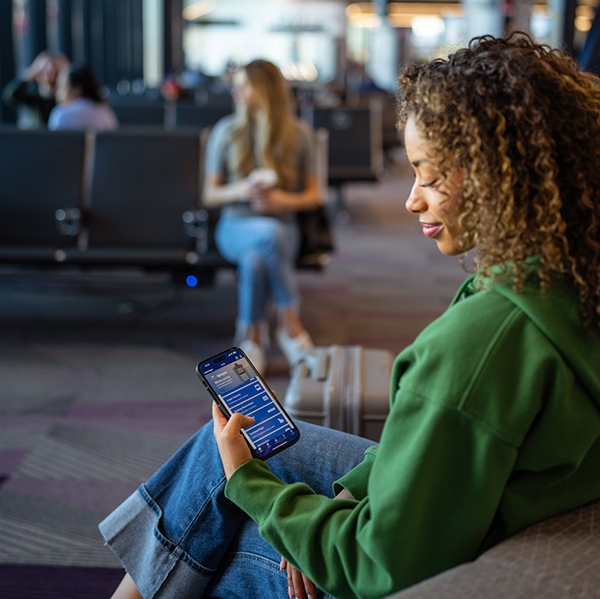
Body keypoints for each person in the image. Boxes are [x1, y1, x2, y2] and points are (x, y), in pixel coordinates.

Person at [99, 33, 600, 599]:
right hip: (483, 519)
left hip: (407, 567)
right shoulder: (567, 283)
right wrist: (344, 496)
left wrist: (253, 486)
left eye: (429, 176)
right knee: (213, 455)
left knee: (213, 536)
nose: (411, 199)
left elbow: (373, 565)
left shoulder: (479, 345)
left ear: (501, 174)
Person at [201, 59, 320, 374]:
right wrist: (241, 190)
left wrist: (283, 200)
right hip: (234, 227)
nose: (236, 91)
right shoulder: (227, 131)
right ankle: (289, 323)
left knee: (257, 258)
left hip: (284, 228)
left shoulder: (299, 134)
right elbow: (210, 195)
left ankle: (251, 337)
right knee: (267, 235)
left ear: (265, 91)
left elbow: (314, 195)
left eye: (244, 85)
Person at [1, 50, 69, 128]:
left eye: (56, 72)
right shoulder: (34, 98)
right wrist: (33, 72)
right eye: (45, 72)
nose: (51, 77)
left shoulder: (66, 98)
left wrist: (67, 75)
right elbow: (10, 95)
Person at [48, 64, 118, 131]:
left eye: (62, 87)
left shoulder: (61, 114)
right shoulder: (106, 112)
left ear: (76, 90)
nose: (56, 91)